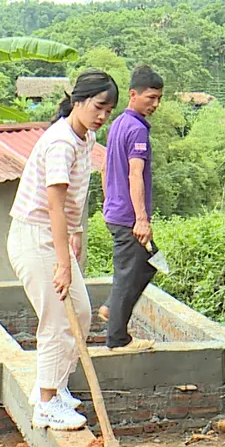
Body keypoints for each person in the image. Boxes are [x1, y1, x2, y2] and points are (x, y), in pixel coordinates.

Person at [7, 70, 118, 431]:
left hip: (51, 235)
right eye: (99, 107)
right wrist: (62, 262)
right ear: (79, 101)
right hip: (35, 236)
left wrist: (78, 231)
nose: (102, 116)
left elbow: (76, 195)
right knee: (56, 319)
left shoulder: (85, 136)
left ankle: (56, 386)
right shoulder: (61, 143)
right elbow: (54, 205)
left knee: (81, 313)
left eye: (108, 110)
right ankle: (46, 403)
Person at [96, 66, 164, 353]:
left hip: (116, 212)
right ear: (133, 94)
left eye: (159, 98)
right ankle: (118, 338)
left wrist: (107, 200)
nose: (155, 104)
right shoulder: (136, 129)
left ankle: (111, 308)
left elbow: (104, 167)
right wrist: (141, 219)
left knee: (150, 263)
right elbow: (135, 175)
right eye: (150, 97)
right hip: (128, 218)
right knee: (129, 272)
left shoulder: (119, 124)